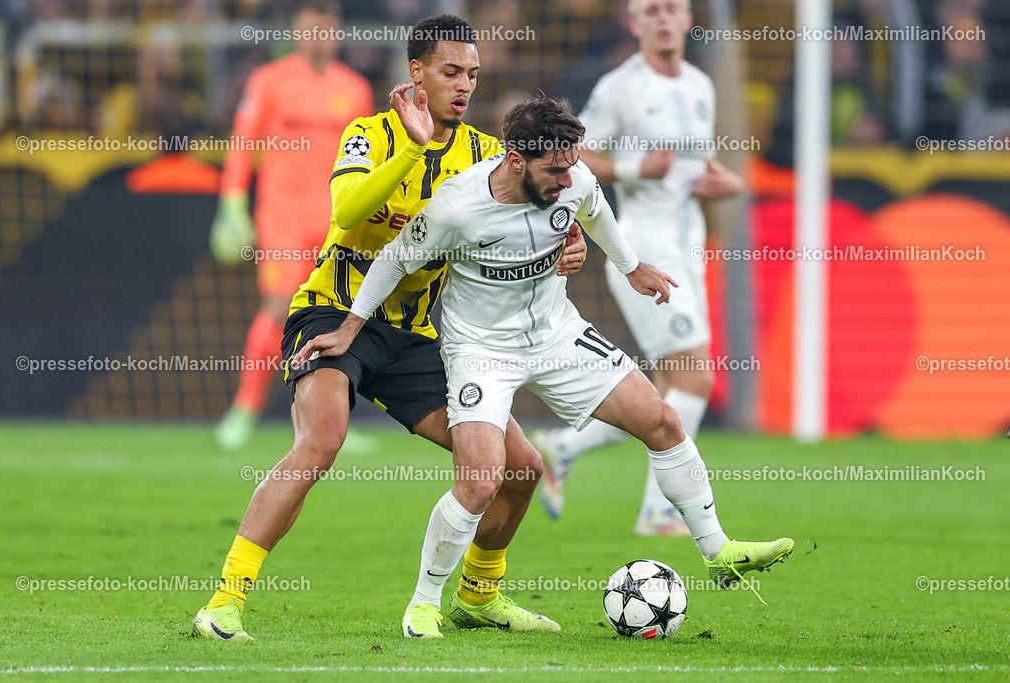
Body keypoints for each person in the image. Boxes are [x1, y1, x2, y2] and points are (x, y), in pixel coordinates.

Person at [293, 97, 793, 628]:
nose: (565, 179)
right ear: (515, 160)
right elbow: (394, 259)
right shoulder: (456, 206)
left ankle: (718, 552)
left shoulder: (571, 178)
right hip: (481, 349)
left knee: (663, 421)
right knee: (482, 479)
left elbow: (596, 211)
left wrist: (630, 267)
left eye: (570, 165)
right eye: (553, 170)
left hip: (558, 333)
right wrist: (349, 327)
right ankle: (424, 602)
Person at [192, 14, 587, 643]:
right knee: (322, 440)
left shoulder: (487, 155)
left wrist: (566, 248)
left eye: (473, 75)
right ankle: (223, 602)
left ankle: (479, 595)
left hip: (418, 336)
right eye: (451, 72)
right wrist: (411, 147)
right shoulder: (370, 134)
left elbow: (539, 217)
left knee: (520, 466)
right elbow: (346, 211)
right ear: (417, 74)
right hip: (334, 315)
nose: (463, 86)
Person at [532, 0, 746, 536]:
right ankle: (657, 510)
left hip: (690, 245)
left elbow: (701, 166)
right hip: (643, 249)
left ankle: (564, 445)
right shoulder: (619, 86)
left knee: (667, 389)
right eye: (651, 11)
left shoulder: (700, 84)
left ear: (688, 19)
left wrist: (728, 184)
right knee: (697, 378)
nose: (663, 18)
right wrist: (635, 168)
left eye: (672, 9)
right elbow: (578, 156)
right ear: (635, 24)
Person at [211, 0, 375, 450]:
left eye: (326, 29)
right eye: (309, 29)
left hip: (338, 223)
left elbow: (366, 161)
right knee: (279, 306)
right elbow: (243, 144)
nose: (318, 37)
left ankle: (332, 418)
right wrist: (231, 203)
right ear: (296, 34)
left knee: (335, 319)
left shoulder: (354, 89)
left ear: (337, 33)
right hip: (281, 218)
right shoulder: (269, 82)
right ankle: (245, 408)